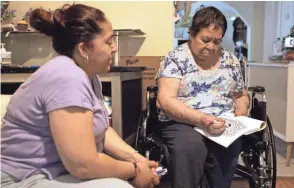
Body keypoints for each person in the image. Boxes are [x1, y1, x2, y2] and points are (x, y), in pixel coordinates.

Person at [1, 4, 160, 188]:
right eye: (108, 42)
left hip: (55, 173)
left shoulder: (89, 76)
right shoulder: (67, 76)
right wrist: (135, 171)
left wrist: (138, 160)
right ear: (84, 49)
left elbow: (100, 128)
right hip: (22, 178)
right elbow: (83, 165)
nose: (115, 48)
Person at [155, 6, 249, 188]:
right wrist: (202, 120)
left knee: (229, 145)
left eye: (217, 42)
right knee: (190, 146)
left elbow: (240, 94)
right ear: (191, 34)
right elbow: (165, 100)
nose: (211, 47)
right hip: (182, 122)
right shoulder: (175, 58)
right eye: (205, 40)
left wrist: (242, 106)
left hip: (222, 121)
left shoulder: (230, 60)